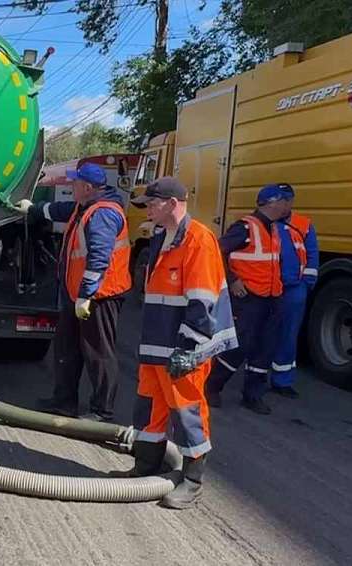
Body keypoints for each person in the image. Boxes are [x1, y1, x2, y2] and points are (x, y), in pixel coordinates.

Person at [114, 178, 237, 508]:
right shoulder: (159, 237)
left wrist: (189, 348)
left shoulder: (199, 240)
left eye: (152, 204)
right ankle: (146, 466)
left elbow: (202, 300)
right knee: (149, 406)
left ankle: (193, 481)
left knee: (187, 411)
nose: (147, 211)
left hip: (184, 348)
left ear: (171, 203)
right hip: (156, 343)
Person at [15, 162, 131, 421]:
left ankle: (102, 411)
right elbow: (58, 210)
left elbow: (99, 259)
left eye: (74, 183)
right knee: (67, 349)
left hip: (99, 298)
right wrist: (33, 208)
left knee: (98, 353)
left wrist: (86, 295)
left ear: (87, 187)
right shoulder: (85, 206)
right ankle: (63, 402)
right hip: (77, 294)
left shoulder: (103, 214)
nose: (71, 187)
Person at [205, 184, 289, 415]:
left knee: (265, 348)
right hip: (249, 298)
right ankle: (212, 385)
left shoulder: (273, 228)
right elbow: (216, 251)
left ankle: (253, 395)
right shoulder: (245, 227)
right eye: (284, 201)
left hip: (271, 298)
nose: (287, 206)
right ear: (272, 202)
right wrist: (232, 279)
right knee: (238, 346)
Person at [270, 184, 318, 398]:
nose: (282, 204)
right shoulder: (265, 221)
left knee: (289, 335)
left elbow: (312, 254)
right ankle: (257, 377)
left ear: (291, 202)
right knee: (264, 333)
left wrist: (306, 284)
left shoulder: (303, 224)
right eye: (279, 200)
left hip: (293, 289)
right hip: (270, 287)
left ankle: (282, 380)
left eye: (286, 200)